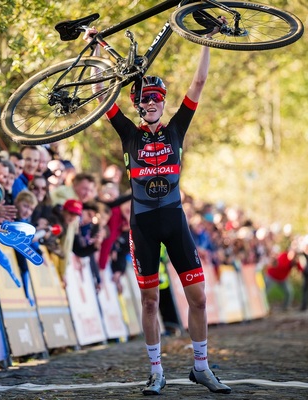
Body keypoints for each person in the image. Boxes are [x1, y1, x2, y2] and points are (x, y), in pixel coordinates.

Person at [83, 23, 231, 395]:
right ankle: (156, 371)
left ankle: (201, 366)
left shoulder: (177, 128)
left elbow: (197, 85)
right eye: (144, 100)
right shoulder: (128, 133)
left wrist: (205, 41)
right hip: (144, 227)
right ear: (138, 105)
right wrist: (98, 51)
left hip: (175, 221)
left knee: (197, 298)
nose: (150, 104)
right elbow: (101, 93)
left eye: (156, 99)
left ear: (164, 103)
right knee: (150, 301)